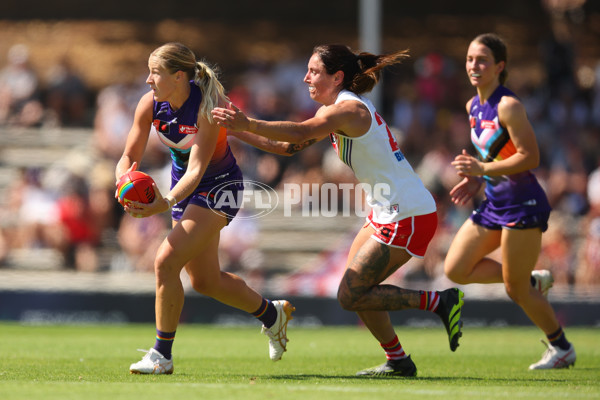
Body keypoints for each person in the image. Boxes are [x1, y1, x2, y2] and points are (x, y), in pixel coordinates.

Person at [212, 44, 465, 377]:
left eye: (314, 72)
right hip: (387, 210)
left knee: (350, 294)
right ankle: (399, 361)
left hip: (407, 213)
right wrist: (238, 130)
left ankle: (440, 302)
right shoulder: (335, 111)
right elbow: (290, 147)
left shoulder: (348, 111)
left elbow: (299, 132)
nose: (305, 78)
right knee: (357, 292)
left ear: (337, 77)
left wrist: (248, 121)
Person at [115, 42, 295, 375]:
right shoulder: (150, 104)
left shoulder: (208, 106)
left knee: (166, 261)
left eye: (155, 72)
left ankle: (161, 355)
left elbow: (197, 170)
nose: (147, 80)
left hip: (219, 187)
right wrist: (122, 182)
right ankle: (273, 314)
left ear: (179, 76)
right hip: (186, 191)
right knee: (206, 281)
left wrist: (164, 202)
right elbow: (129, 157)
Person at [443, 33, 576, 370]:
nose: (475, 65)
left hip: (523, 204)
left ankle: (561, 347)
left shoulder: (509, 105)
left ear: (500, 66)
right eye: (471, 58)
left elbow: (530, 157)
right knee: (455, 269)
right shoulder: (473, 105)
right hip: (493, 202)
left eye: (483, 60)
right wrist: (476, 178)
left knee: (515, 290)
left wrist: (483, 167)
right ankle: (531, 281)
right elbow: (491, 151)